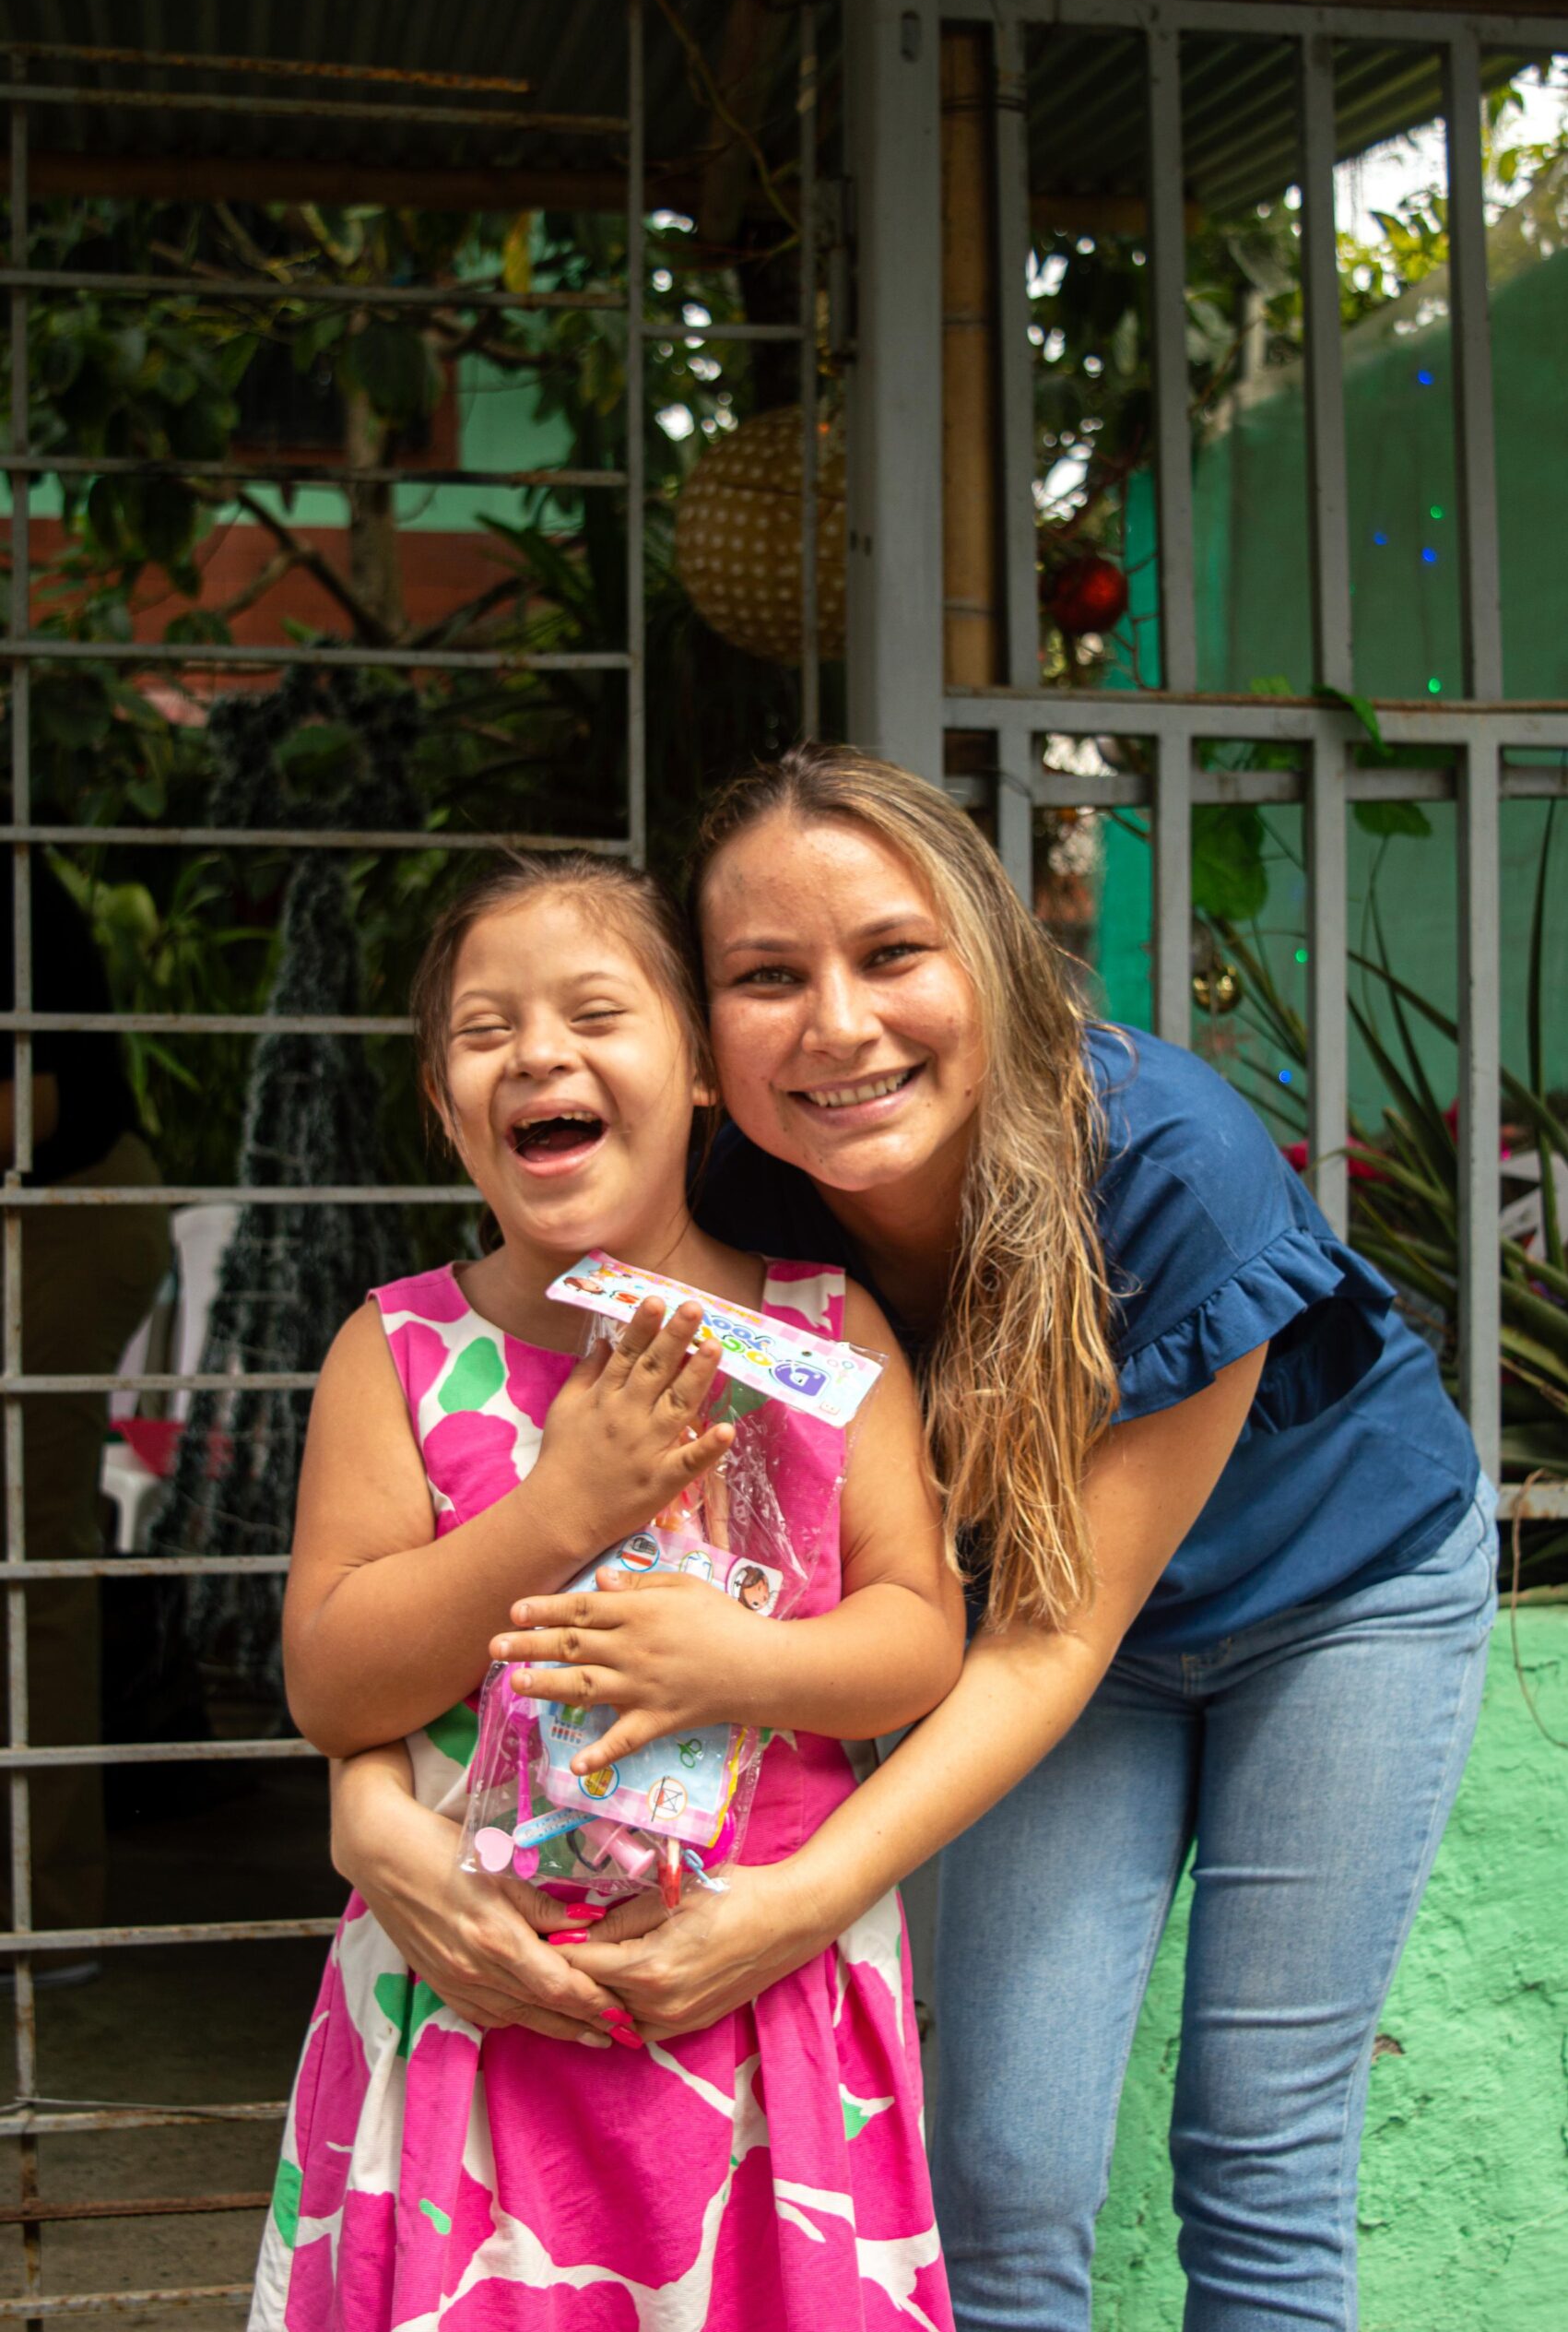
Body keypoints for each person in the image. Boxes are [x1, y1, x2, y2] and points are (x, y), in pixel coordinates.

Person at [333, 748, 1495, 2332]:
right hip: (1038, 1620)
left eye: (890, 954)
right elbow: (441, 1516)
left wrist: (792, 1909)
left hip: (1327, 1596)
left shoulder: (1168, 1165)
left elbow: (1039, 1647)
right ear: (703, 1037)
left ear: (994, 959)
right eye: (765, 977)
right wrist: (369, 1815)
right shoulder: (742, 1183)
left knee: (1257, 2132)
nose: (836, 1027)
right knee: (1006, 2163)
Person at [252, 847, 962, 2332]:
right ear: (450, 1110)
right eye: (483, 1032)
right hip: (471, 2001)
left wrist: (738, 1666)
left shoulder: (825, 1343)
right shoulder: (395, 1353)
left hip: (761, 2008)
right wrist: (559, 1510)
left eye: (593, 1011)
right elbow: (332, 1683)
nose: (538, 1054)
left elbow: (918, 1639)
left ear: (700, 1069)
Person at [0, 856, 169, 1956]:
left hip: (65, 1211)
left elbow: (35, 1104)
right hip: (43, 1208)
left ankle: (46, 1915)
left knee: (26, 1554)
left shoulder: (16, 888)